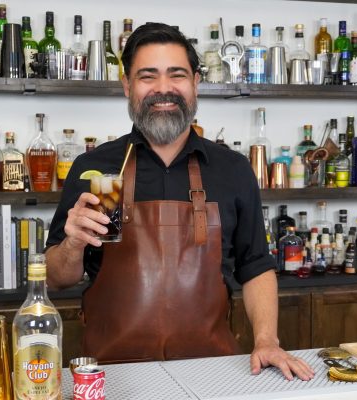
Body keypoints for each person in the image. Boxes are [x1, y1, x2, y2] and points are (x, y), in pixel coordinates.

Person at [45, 22, 314, 381]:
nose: (163, 89)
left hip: (213, 372)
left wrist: (266, 340)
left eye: (177, 75)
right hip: (111, 375)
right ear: (127, 85)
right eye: (147, 76)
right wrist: (74, 244)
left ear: (196, 83)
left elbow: (255, 266)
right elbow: (56, 278)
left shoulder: (233, 169)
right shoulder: (93, 168)